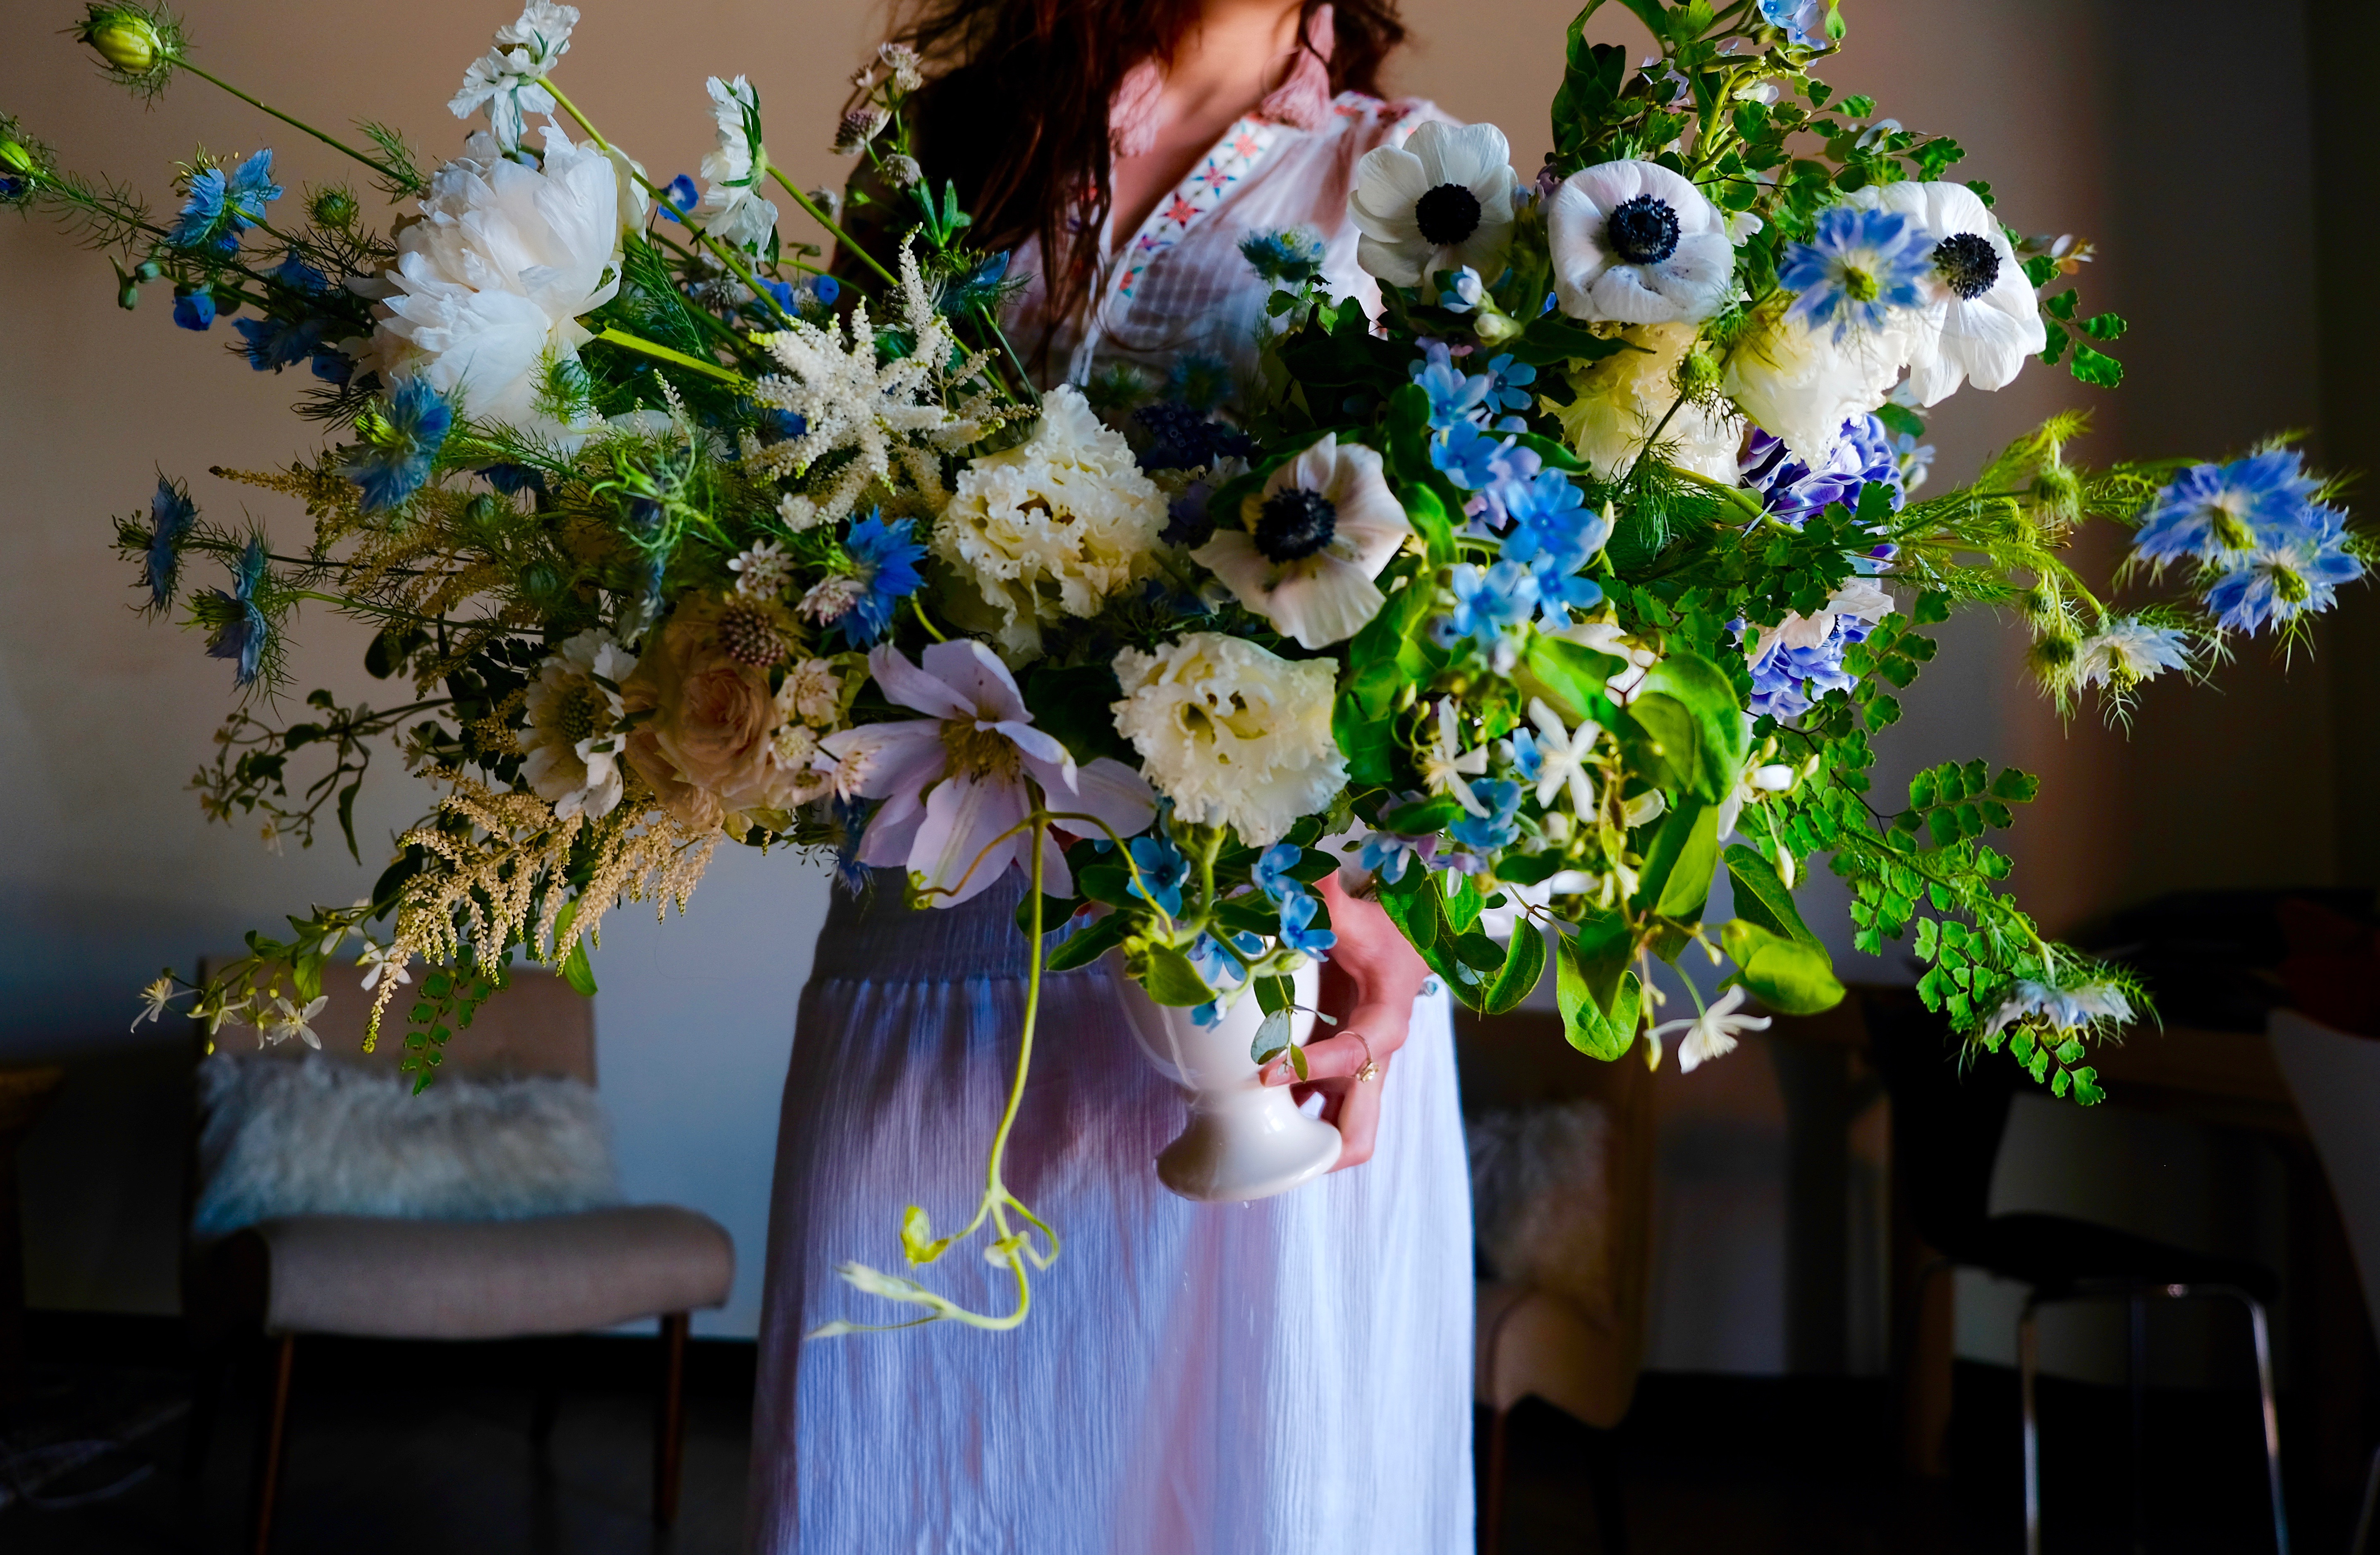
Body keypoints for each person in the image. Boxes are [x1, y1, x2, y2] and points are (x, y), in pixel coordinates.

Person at [746, 3, 1473, 1549]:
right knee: (897, 1469)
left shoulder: (1410, 190)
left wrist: (1388, 890)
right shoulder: (948, 154)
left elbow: (1466, 636)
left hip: (1256, 988)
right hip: (932, 946)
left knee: (1243, 1488)